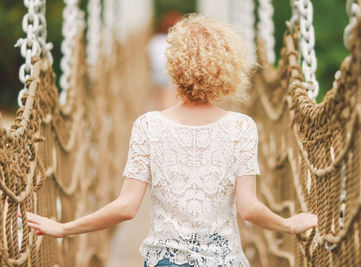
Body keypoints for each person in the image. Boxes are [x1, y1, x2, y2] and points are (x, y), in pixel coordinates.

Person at [25, 14, 318, 267]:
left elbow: (126, 207)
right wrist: (289, 224)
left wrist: (64, 228)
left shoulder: (148, 126)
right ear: (229, 67)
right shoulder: (242, 127)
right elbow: (249, 209)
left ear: (173, 64)